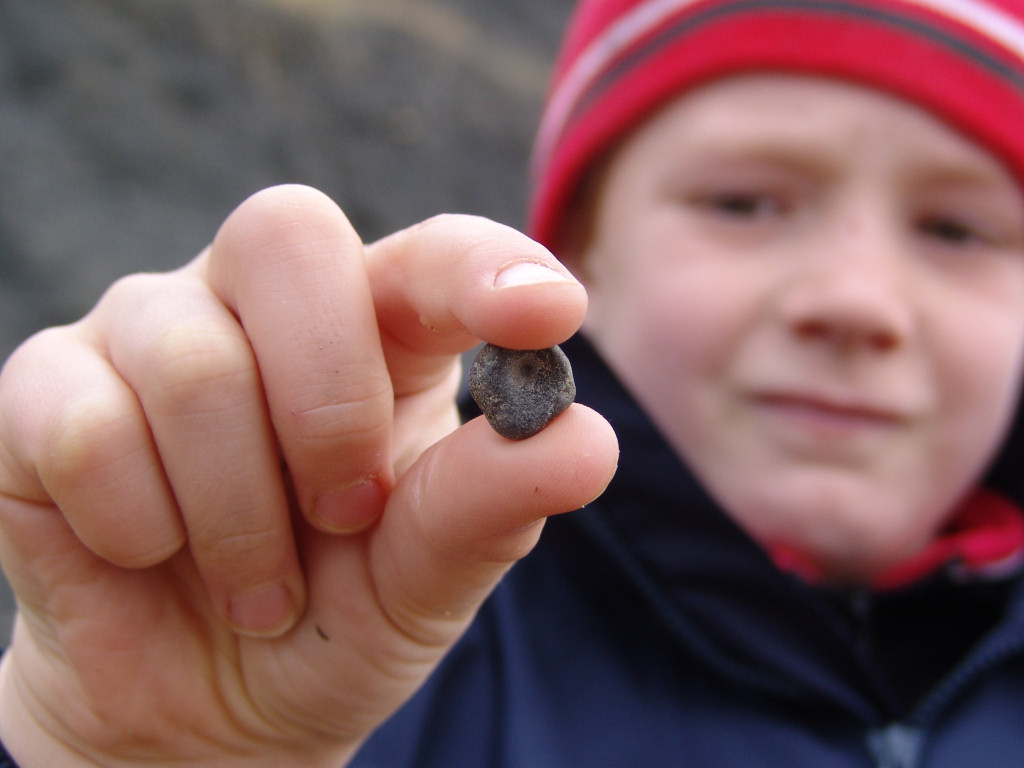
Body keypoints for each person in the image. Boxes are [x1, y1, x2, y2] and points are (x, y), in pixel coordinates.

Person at [2, 0, 1024, 764]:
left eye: (958, 228)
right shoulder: (369, 636)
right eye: (744, 203)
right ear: (579, 253)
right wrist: (118, 755)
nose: (854, 300)